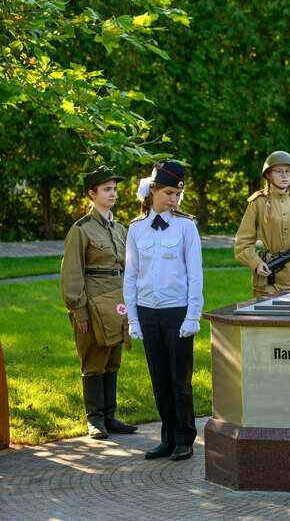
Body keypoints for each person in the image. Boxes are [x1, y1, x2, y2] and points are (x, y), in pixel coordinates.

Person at [124, 160, 203, 461]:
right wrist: (133, 318)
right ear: (153, 190)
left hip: (176, 312)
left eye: (178, 194)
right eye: (168, 192)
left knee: (179, 379)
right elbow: (131, 275)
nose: (173, 199)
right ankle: (167, 437)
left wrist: (193, 315)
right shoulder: (136, 229)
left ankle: (185, 437)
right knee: (159, 378)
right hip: (148, 312)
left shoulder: (186, 226)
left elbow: (195, 274)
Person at [60, 166, 138, 440]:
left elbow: (130, 268)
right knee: (94, 359)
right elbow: (71, 273)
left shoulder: (120, 228)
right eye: (107, 189)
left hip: (118, 303)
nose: (113, 193)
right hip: (92, 305)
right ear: (92, 194)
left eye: (115, 188)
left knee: (113, 360)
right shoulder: (81, 230)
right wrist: (78, 310)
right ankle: (94, 419)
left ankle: (110, 416)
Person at [234, 151, 290, 296]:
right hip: (271, 276)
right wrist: (256, 263)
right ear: (269, 175)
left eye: (288, 171)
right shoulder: (258, 202)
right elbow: (243, 243)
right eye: (279, 171)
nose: (284, 176)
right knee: (268, 318)